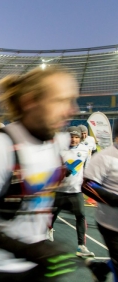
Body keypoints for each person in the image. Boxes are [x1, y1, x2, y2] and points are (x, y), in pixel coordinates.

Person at [0, 66, 80, 281]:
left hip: (34, 265)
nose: (73, 110)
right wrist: (30, 251)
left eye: (72, 101)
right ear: (30, 102)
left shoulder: (57, 140)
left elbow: (44, 192)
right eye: (60, 101)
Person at [47, 126, 94, 257]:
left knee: (80, 216)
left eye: (76, 137)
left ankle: (81, 246)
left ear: (80, 138)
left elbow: (87, 167)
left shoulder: (85, 150)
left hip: (76, 190)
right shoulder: (58, 149)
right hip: (59, 190)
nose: (73, 139)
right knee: (52, 214)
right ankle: (48, 230)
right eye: (71, 136)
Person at [82, 120, 118, 282]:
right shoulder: (104, 157)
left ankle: (100, 268)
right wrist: (114, 200)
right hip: (111, 226)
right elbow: (87, 186)